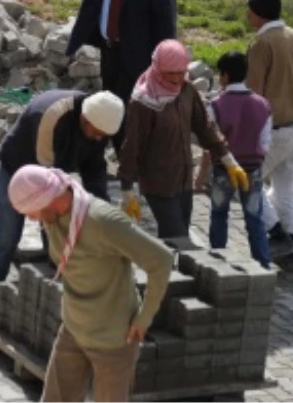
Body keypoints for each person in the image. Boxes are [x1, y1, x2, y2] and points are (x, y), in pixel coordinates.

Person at [9, 165, 174, 403]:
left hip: (113, 341)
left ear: (48, 197)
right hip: (73, 331)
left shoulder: (103, 222)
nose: (30, 218)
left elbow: (161, 260)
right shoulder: (52, 217)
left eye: (30, 211)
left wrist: (145, 317)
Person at [31, 0, 176, 150]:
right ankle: (118, 155)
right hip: (108, 48)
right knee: (111, 100)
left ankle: (124, 158)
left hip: (137, 55)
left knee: (120, 105)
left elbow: (163, 20)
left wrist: (163, 60)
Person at [0, 90, 124, 282]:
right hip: (18, 169)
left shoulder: (100, 122)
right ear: (85, 119)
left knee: (55, 239)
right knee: (6, 238)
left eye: (104, 136)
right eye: (98, 133)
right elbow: (46, 181)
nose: (100, 139)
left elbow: (94, 171)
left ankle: (51, 290)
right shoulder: (51, 116)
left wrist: (101, 212)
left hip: (53, 170)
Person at [118, 40, 249, 239]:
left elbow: (204, 128)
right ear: (158, 69)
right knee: (177, 238)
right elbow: (132, 145)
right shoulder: (143, 102)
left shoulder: (186, 90)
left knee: (178, 240)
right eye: (171, 73)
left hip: (183, 180)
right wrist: (126, 188)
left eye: (181, 72)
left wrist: (228, 159)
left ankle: (168, 269)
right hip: (158, 183)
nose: (177, 78)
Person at [245, 0, 293, 267]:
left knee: (248, 182)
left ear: (257, 14)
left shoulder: (262, 44)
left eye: (249, 11)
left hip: (275, 127)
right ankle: (291, 245)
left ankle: (276, 235)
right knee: (285, 186)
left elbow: (254, 91)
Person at [195, 51, 272, 268]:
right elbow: (265, 143)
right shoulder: (263, 104)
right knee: (254, 220)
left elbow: (210, 145)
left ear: (225, 76)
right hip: (253, 169)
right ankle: (263, 265)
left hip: (223, 170)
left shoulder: (217, 105)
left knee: (219, 215)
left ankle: (218, 263)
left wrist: (201, 175)